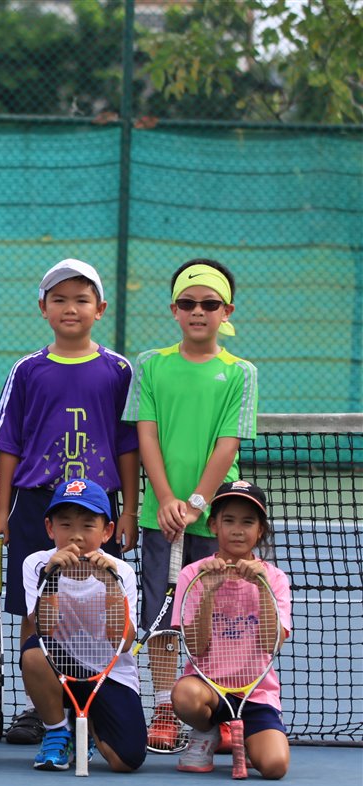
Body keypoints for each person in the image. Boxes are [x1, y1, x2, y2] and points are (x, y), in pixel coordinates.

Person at [0, 259, 139, 745]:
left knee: (96, 605)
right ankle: (43, 706)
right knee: (36, 605)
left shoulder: (118, 370)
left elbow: (127, 445)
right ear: (43, 308)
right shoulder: (28, 370)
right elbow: (8, 445)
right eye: (59, 299)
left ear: (100, 308)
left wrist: (129, 510)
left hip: (97, 508)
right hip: (37, 505)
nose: (71, 308)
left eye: (81, 299)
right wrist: (0, 512)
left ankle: (91, 696)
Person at [123, 258, 258, 751]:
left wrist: (198, 503)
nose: (198, 311)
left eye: (209, 304)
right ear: (174, 310)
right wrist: (165, 500)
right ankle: (164, 705)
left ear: (227, 312)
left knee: (219, 618)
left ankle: (218, 705)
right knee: (162, 618)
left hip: (220, 517)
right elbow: (146, 434)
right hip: (162, 518)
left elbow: (228, 444)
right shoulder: (150, 365)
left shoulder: (240, 372)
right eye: (188, 303)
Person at [20, 478, 146, 773]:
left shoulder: (122, 572)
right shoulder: (36, 565)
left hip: (109, 675)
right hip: (59, 668)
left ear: (107, 531)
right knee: (33, 653)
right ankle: (57, 731)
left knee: (126, 761)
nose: (75, 535)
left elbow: (123, 643)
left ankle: (85, 726)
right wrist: (51, 578)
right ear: (50, 528)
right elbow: (44, 630)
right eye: (65, 525)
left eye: (88, 525)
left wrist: (110, 587)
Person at [172, 480, 290, 779]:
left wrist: (261, 588)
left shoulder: (275, 579)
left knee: (275, 766)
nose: (238, 530)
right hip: (207, 690)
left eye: (248, 522)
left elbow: (272, 644)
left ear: (260, 530)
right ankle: (206, 731)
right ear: (213, 525)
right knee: (184, 695)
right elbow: (195, 647)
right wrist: (208, 592)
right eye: (229, 520)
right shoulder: (192, 574)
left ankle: (247, 736)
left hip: (256, 693)